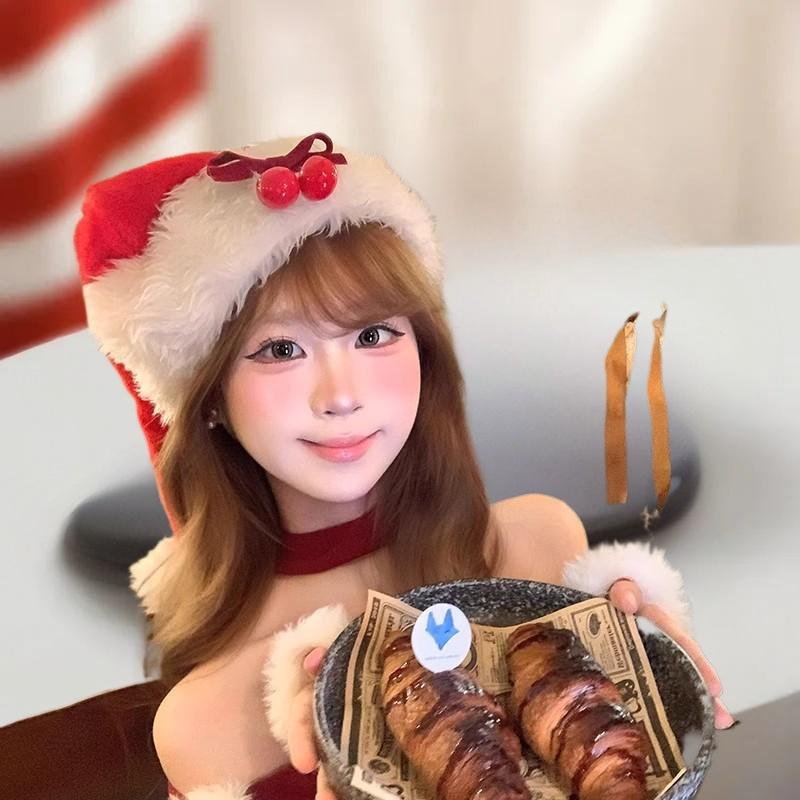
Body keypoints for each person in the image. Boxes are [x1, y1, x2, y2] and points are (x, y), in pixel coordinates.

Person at [75, 132, 733, 800]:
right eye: (279, 349)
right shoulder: (208, 723)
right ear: (210, 396)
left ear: (426, 352)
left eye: (371, 334)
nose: (341, 396)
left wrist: (650, 698)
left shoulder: (538, 545)